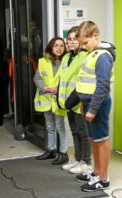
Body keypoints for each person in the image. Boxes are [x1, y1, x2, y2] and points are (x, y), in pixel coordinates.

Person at [74, 21, 115, 192]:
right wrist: (85, 105)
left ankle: (103, 179)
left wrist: (92, 109)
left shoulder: (103, 56)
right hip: (89, 103)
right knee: (94, 140)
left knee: (101, 141)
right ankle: (96, 172)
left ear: (95, 36)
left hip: (97, 104)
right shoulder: (93, 52)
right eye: (81, 43)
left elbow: (103, 86)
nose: (83, 46)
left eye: (85, 42)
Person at [58, 26, 92, 174]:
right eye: (69, 39)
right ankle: (77, 159)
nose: (71, 42)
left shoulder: (85, 56)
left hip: (79, 101)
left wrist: (72, 100)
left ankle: (86, 162)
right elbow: (63, 79)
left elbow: (82, 81)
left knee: (83, 132)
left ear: (80, 39)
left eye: (74, 39)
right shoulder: (66, 57)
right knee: (74, 131)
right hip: (68, 102)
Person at [34, 37, 69, 165]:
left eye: (61, 46)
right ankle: (51, 150)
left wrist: (57, 88)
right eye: (56, 46)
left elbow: (68, 80)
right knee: (49, 126)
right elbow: (37, 78)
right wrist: (44, 87)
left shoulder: (66, 62)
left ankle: (63, 153)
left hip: (58, 99)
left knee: (60, 126)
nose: (59, 48)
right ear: (51, 47)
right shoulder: (43, 61)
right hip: (46, 99)